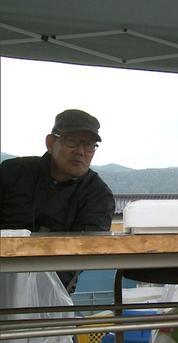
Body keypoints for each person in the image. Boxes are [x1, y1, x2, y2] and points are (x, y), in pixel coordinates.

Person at [0, 109, 115, 292]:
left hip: (53, 292)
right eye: (72, 141)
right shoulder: (12, 172)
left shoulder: (98, 195)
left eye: (89, 145)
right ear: (50, 142)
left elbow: (84, 253)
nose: (80, 151)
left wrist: (41, 292)